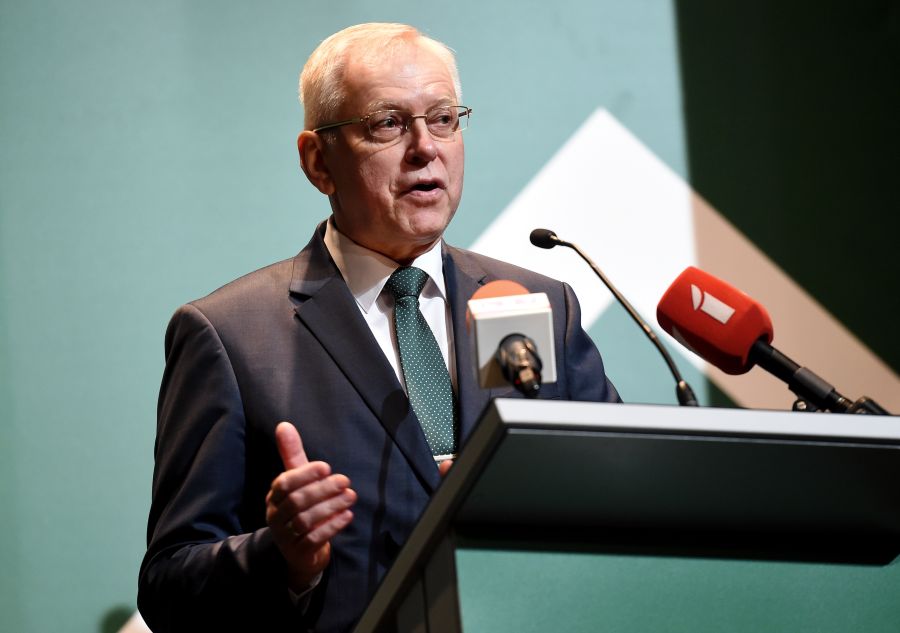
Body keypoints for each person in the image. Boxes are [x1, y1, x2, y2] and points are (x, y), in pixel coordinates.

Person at [138, 22, 620, 633]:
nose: (425, 148)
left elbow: (617, 502)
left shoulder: (540, 303)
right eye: (388, 124)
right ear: (318, 161)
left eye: (443, 119)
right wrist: (282, 556)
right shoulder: (231, 337)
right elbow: (169, 587)